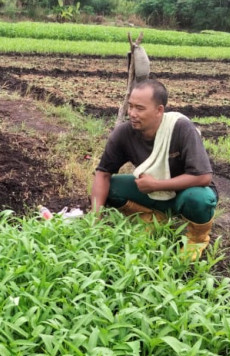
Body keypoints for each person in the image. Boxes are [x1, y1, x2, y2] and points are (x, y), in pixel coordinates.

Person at [90, 78, 218, 259]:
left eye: (140, 108)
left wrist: (157, 185)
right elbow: (102, 173)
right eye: (131, 106)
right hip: (152, 193)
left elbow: (203, 177)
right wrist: (95, 220)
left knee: (200, 198)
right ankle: (154, 218)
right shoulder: (124, 133)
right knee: (110, 187)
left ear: (159, 110)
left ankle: (196, 239)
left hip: (183, 194)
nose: (132, 113)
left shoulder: (180, 128)